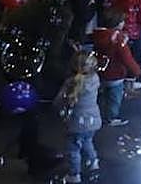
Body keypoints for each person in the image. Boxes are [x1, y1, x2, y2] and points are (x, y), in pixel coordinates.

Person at [91, 10, 141, 127]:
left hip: (101, 73)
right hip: (116, 75)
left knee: (103, 96)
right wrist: (137, 71)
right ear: (117, 23)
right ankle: (111, 118)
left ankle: (100, 115)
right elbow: (126, 58)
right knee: (114, 99)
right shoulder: (118, 39)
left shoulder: (98, 36)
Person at [58, 51, 102, 183]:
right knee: (87, 141)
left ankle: (74, 174)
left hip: (77, 123)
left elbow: (59, 100)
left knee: (73, 149)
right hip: (94, 120)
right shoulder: (95, 79)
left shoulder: (71, 82)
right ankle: (93, 161)